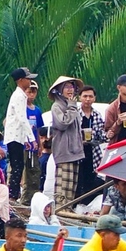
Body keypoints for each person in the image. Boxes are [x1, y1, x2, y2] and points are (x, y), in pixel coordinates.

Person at [43, 76, 85, 209]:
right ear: (60, 90)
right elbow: (62, 123)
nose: (70, 90)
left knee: (72, 186)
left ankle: (68, 211)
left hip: (75, 151)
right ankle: (60, 212)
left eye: (72, 86)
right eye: (66, 87)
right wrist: (72, 108)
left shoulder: (71, 105)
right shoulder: (57, 106)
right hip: (64, 151)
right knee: (63, 188)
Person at [2, 66, 35, 201]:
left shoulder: (19, 95)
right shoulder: (19, 96)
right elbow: (22, 118)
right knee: (17, 166)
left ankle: (13, 194)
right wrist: (32, 139)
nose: (30, 82)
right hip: (14, 136)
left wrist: (25, 138)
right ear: (21, 80)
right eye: (28, 79)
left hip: (17, 136)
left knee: (17, 165)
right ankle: (12, 195)